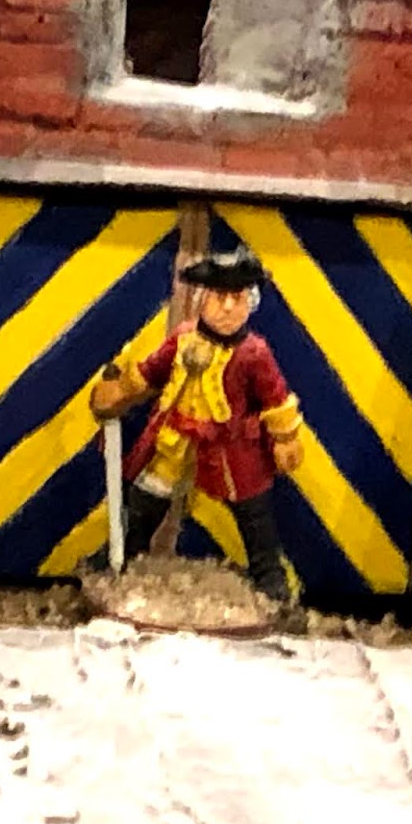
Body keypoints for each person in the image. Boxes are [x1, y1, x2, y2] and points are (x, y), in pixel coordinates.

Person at [87, 248, 304, 603]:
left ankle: (269, 576)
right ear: (204, 299)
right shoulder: (183, 338)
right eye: (220, 297)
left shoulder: (254, 353)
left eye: (237, 298)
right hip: (175, 438)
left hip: (231, 448)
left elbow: (275, 398)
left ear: (249, 302)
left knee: (253, 512)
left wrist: (285, 437)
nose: (228, 308)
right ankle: (121, 553)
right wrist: (122, 391)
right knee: (145, 500)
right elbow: (152, 372)